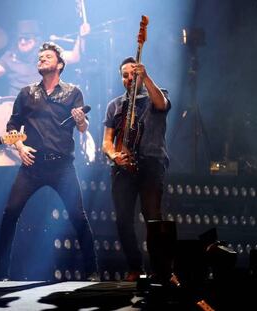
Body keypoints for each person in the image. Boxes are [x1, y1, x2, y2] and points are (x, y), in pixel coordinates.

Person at [0, 42, 98, 281]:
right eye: (39, 57)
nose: (41, 59)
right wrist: (19, 146)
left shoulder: (73, 92)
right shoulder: (27, 92)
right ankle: (0, 273)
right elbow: (12, 126)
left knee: (78, 216)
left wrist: (81, 121)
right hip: (32, 164)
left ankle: (93, 271)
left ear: (60, 64)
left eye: (47, 57)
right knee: (10, 212)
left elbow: (82, 128)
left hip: (62, 166)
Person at [102, 57, 171, 282]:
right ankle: (134, 267)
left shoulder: (156, 95)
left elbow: (161, 104)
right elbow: (106, 142)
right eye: (124, 75)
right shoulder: (115, 105)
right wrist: (114, 156)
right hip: (123, 166)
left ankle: (159, 270)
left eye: (133, 74)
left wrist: (147, 77)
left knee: (152, 217)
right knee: (123, 219)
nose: (129, 79)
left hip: (151, 163)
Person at [0, 19, 90, 96]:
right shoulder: (10, 56)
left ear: (35, 39)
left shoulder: (48, 54)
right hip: (18, 108)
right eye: (20, 38)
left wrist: (82, 37)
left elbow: (75, 57)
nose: (22, 41)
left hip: (44, 107)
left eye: (27, 38)